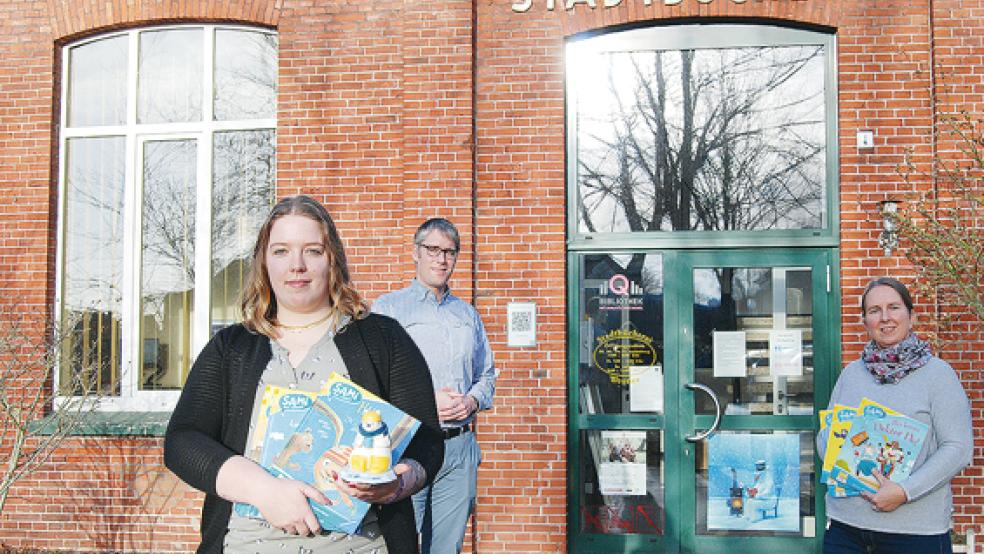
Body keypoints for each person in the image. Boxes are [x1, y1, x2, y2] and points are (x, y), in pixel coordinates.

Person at [164, 195, 444, 554]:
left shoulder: (383, 339)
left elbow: (427, 442)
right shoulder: (231, 348)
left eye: (313, 250)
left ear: (333, 259)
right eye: (281, 251)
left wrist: (396, 485)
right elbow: (182, 441)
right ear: (264, 262)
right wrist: (262, 490)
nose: (296, 265)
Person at [817, 277, 972, 553]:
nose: (885, 317)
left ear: (911, 316)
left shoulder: (938, 375)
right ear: (865, 321)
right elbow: (826, 437)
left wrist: (904, 491)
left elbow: (958, 449)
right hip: (846, 529)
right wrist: (835, 446)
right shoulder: (851, 374)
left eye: (894, 307)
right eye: (874, 310)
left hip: (914, 533)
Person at [372, 218, 497, 554]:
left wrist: (472, 402)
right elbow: (374, 383)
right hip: (407, 445)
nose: (442, 259)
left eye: (450, 252)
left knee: (446, 549)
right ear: (416, 252)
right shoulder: (387, 310)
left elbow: (487, 376)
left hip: (458, 449)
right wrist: (424, 402)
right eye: (433, 250)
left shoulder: (467, 315)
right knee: (399, 545)